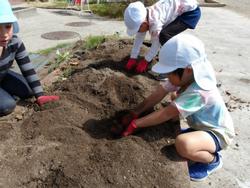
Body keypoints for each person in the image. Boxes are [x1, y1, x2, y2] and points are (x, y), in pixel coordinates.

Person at [120, 34, 235, 181]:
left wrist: (136, 123)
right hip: (201, 126)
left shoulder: (199, 92)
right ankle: (191, 133)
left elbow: (165, 114)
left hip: (218, 133)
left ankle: (212, 161)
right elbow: (159, 93)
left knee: (183, 144)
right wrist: (136, 111)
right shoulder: (188, 75)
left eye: (170, 72)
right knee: (175, 96)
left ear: (187, 69)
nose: (168, 76)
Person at [0, 0, 59, 117]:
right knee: (7, 105)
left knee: (30, 90)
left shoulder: (15, 42)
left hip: (3, 75)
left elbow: (28, 69)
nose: (4, 34)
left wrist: (40, 95)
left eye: (8, 26)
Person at [124, 0, 201, 73]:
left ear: (144, 24)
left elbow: (156, 44)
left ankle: (173, 68)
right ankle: (169, 57)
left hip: (190, 13)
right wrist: (133, 57)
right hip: (181, 7)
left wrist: (146, 60)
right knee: (164, 36)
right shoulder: (145, 15)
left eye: (137, 30)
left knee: (164, 36)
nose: (137, 32)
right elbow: (139, 37)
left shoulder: (155, 24)